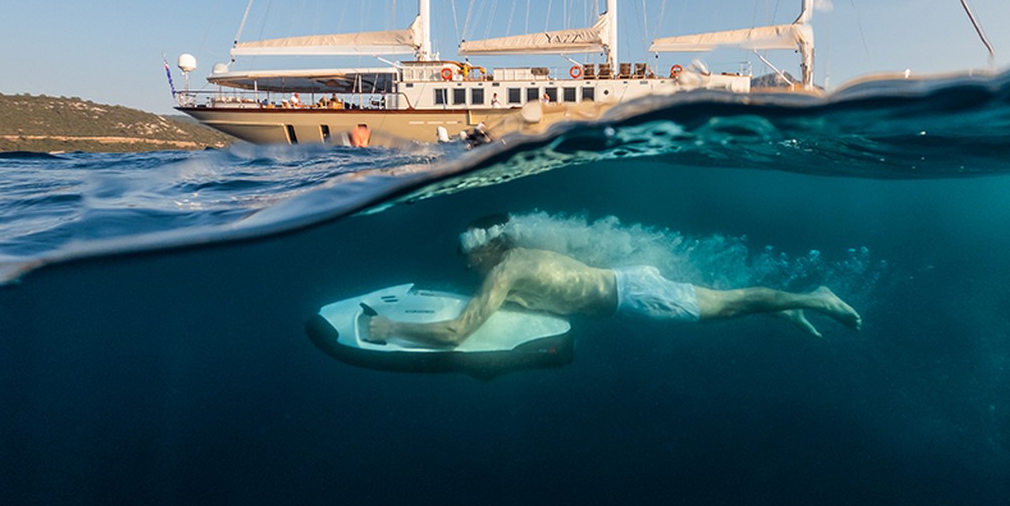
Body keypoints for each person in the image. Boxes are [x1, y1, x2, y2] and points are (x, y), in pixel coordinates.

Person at [364, 218, 862, 347]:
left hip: (637, 297)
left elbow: (457, 333)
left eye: (466, 257)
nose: (465, 266)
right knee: (732, 305)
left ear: (483, 251)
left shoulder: (504, 271)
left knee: (730, 306)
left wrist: (392, 328)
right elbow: (538, 297)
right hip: (629, 284)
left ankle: (815, 298)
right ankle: (785, 309)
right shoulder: (518, 257)